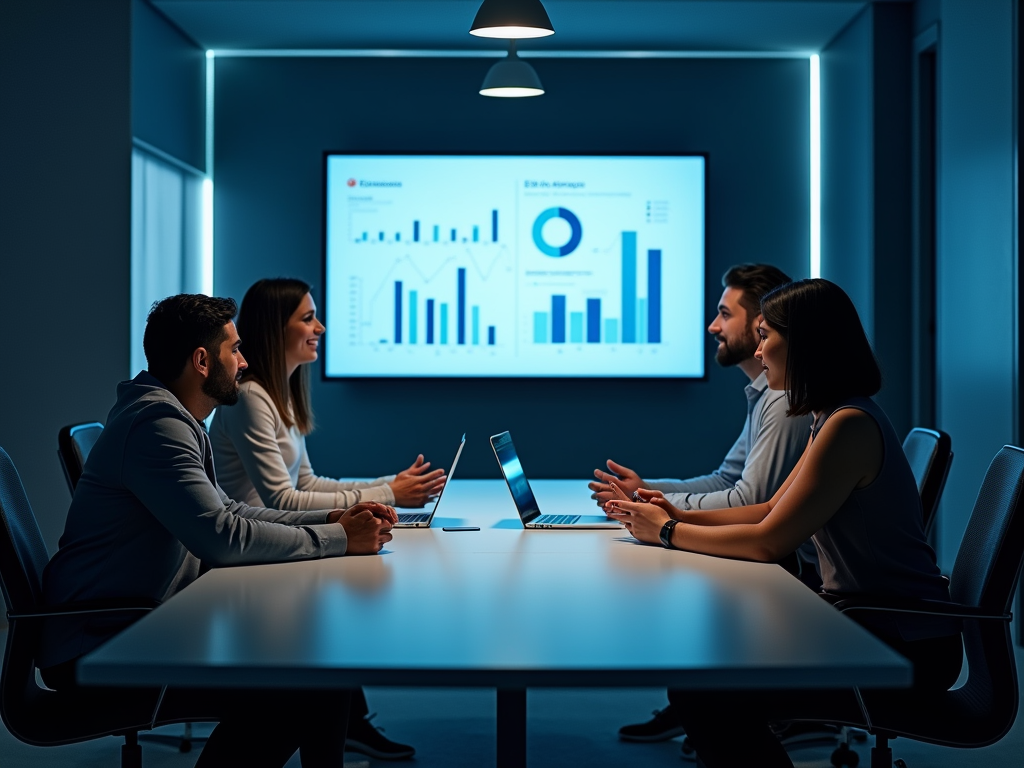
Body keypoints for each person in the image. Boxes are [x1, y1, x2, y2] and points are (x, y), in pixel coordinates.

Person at [606, 279, 962, 768]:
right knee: (702, 681)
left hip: (898, 642)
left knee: (706, 690)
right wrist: (678, 515)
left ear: (804, 344)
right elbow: (771, 508)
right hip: (869, 622)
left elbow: (771, 542)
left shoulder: (848, 425)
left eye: (766, 335)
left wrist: (666, 533)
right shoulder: (831, 416)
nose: (758, 349)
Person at [41, 294, 396, 768]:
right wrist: (338, 541)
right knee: (304, 682)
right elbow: (222, 538)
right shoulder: (156, 426)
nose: (245, 362)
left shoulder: (172, 418)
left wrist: (329, 522)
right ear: (202, 361)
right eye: (235, 350)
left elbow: (229, 511)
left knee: (318, 671)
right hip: (106, 641)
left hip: (139, 621)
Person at [210, 277, 443, 761]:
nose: (321, 327)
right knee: (339, 623)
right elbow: (281, 498)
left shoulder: (281, 392)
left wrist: (389, 487)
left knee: (341, 620)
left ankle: (349, 724)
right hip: (257, 558)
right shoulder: (251, 397)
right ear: (277, 329)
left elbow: (309, 482)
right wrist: (386, 493)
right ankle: (345, 726)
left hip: (282, 545)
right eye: (307, 317)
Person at [594, 264, 813, 743]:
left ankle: (710, 708)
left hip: (805, 580)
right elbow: (734, 483)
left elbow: (755, 504)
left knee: (680, 589)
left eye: (723, 314)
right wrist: (653, 496)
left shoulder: (790, 401)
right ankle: (699, 707)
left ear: (764, 326)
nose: (713, 327)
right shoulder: (768, 394)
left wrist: (667, 520)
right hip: (799, 569)